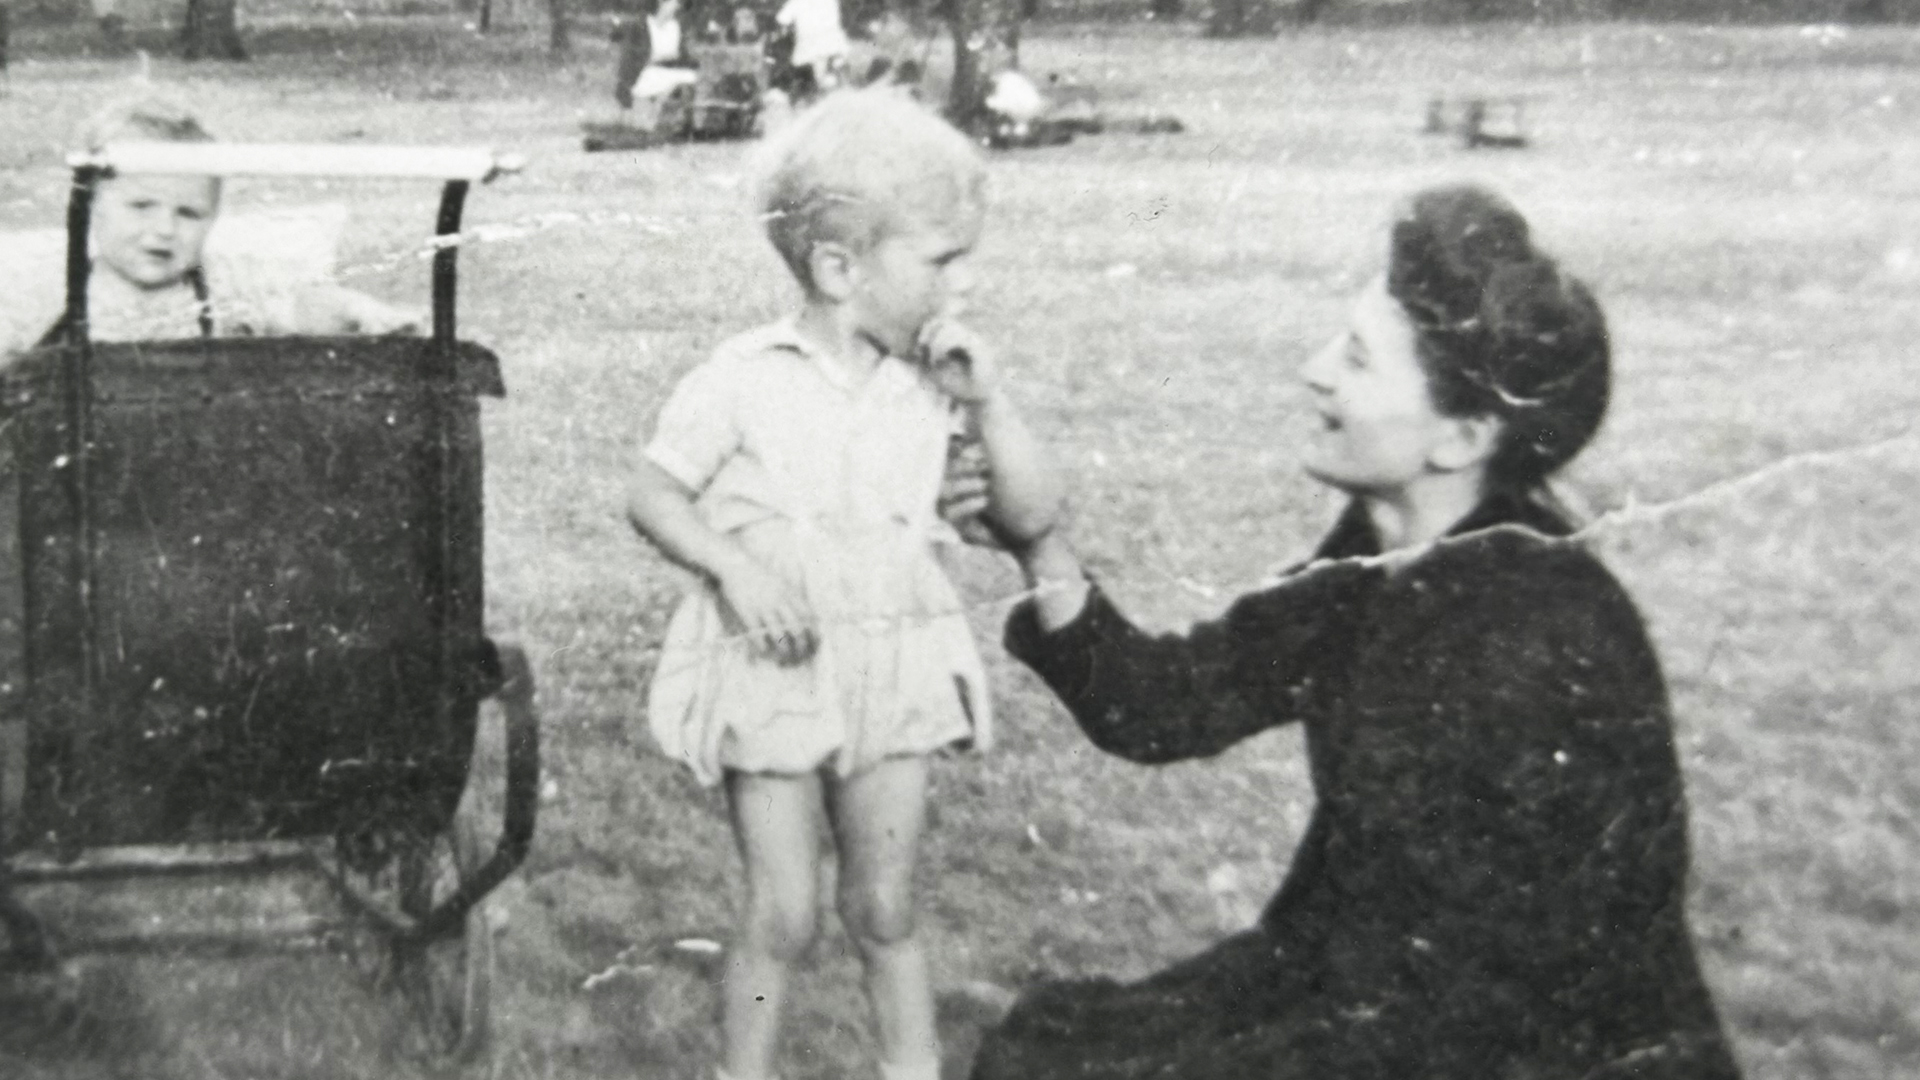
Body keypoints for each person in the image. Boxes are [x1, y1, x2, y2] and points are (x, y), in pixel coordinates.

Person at [967, 185, 1745, 1080]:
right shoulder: (1381, 555)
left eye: (1359, 358)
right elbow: (1163, 706)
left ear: (1462, 435)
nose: (1314, 369)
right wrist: (1040, 544)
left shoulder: (1535, 633)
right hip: (1374, 993)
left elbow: (1478, 1003)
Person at [625, 89, 1059, 1080]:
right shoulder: (742, 377)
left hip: (895, 672)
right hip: (776, 668)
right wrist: (732, 568)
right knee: (784, 912)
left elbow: (1030, 515)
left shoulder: (934, 384)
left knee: (885, 905)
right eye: (943, 261)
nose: (965, 284)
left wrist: (990, 402)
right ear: (838, 268)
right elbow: (653, 494)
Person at [1, 94, 420, 359]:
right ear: (92, 203)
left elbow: (303, 302)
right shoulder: (54, 291)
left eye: (189, 214)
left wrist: (363, 313)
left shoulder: (227, 283)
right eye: (142, 206)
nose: (164, 228)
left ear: (213, 218)